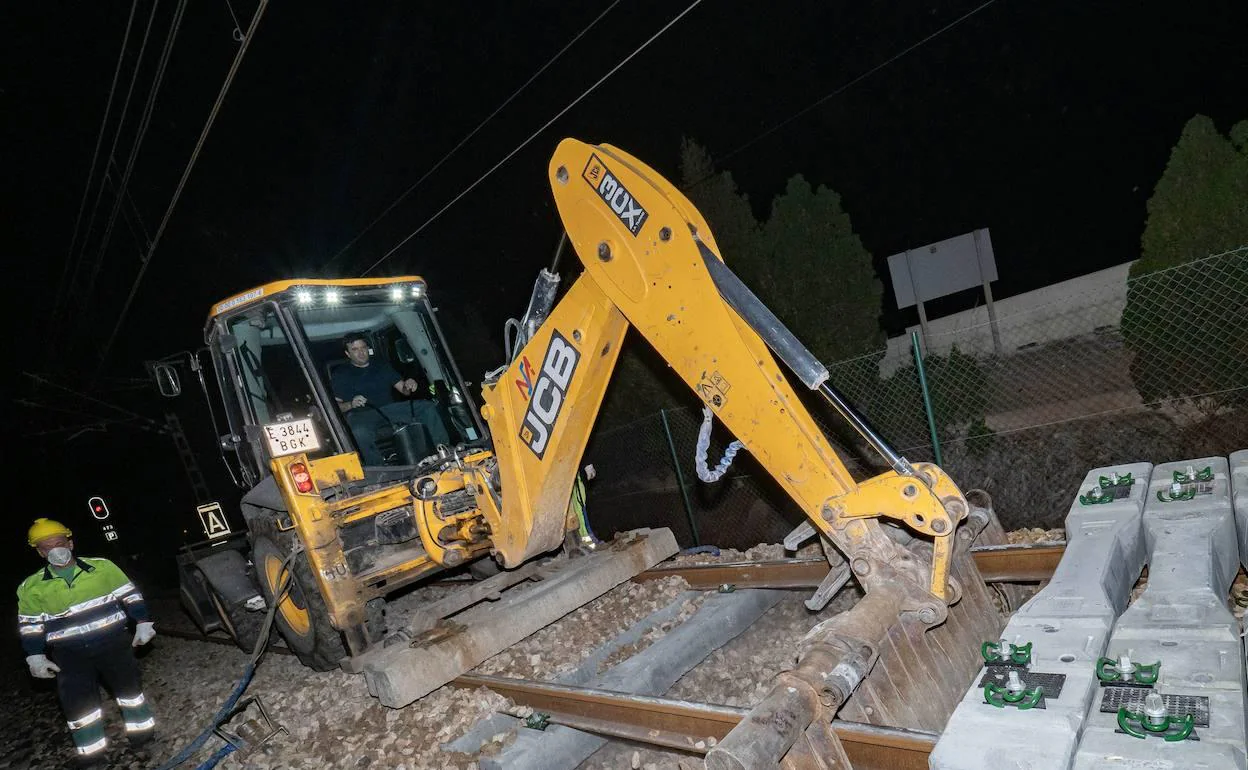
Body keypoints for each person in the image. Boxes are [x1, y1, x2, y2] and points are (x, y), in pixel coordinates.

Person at [18, 518, 156, 767]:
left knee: (129, 690)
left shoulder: (102, 568)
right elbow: (30, 626)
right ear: (39, 552)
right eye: (47, 547)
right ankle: (92, 755)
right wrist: (34, 655)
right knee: (79, 705)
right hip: (68, 655)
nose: (55, 550)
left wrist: (143, 621)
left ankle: (143, 736)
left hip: (113, 642)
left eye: (59, 543)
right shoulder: (31, 587)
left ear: (70, 543)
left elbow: (130, 595)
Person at [331, 332, 452, 464]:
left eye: (363, 347)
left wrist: (409, 385)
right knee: (359, 431)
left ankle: (442, 450)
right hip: (363, 415)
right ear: (348, 354)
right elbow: (336, 408)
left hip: (390, 410)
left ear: (368, 349)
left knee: (426, 407)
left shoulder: (382, 366)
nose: (361, 352)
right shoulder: (341, 374)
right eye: (355, 349)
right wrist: (351, 404)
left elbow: (404, 391)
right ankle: (379, 470)